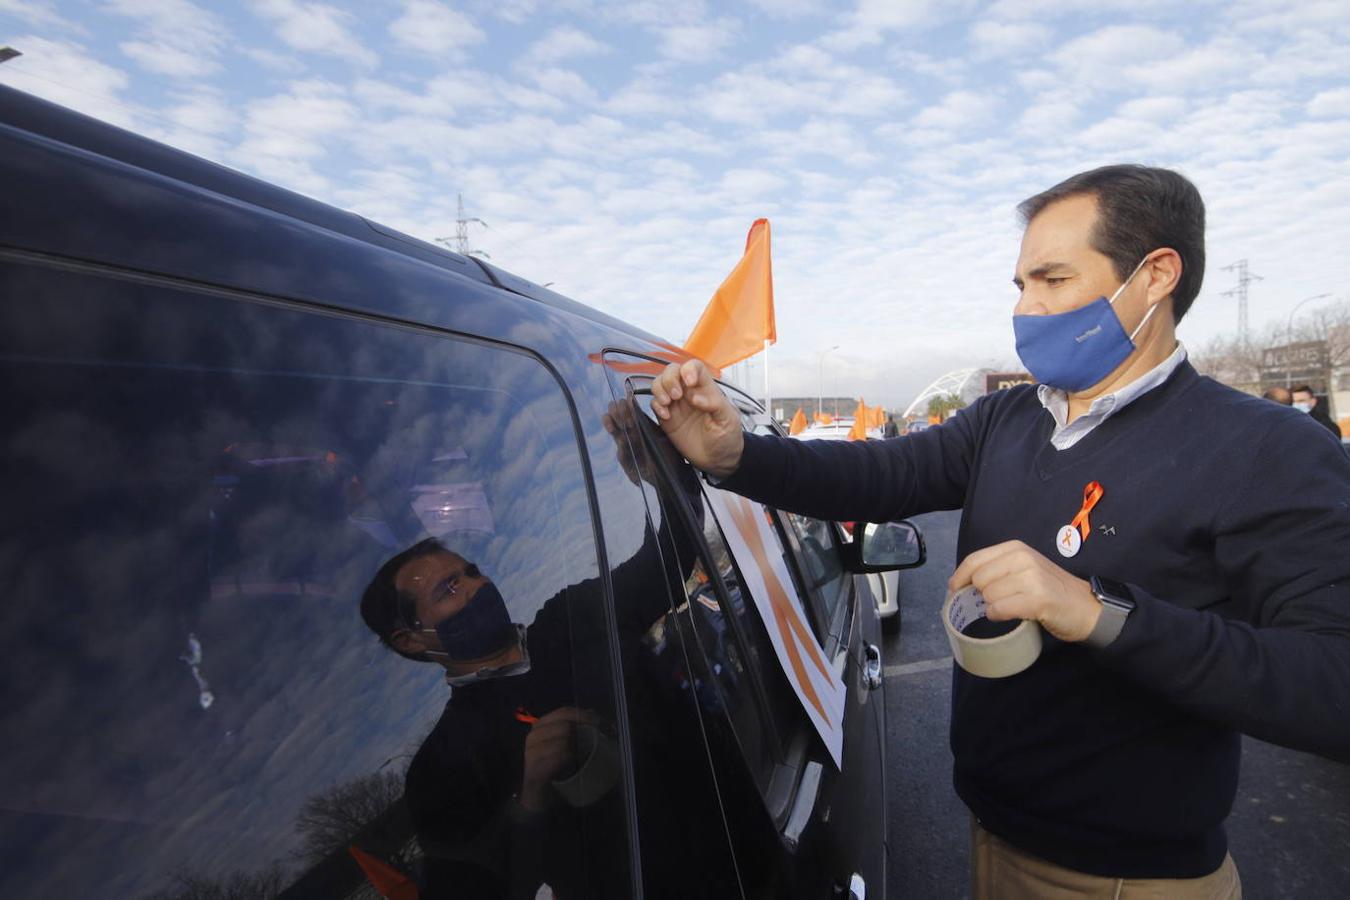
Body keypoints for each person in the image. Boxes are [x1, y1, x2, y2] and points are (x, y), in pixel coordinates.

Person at [650, 164, 1350, 898]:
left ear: (1156, 276)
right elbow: (876, 475)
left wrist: (1094, 612)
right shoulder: (1006, 420)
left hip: (1130, 880)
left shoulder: (1263, 447)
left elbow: (1333, 682)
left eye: (1052, 281)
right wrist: (734, 454)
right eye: (1020, 286)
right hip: (990, 835)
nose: (1027, 309)